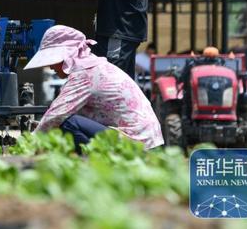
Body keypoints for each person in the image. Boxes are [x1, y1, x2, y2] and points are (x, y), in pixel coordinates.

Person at [24, 25, 163, 151]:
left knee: (68, 123)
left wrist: (29, 145)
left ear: (67, 57)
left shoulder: (85, 74)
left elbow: (55, 115)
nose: (51, 67)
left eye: (53, 60)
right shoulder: (94, 68)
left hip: (137, 143)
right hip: (148, 141)